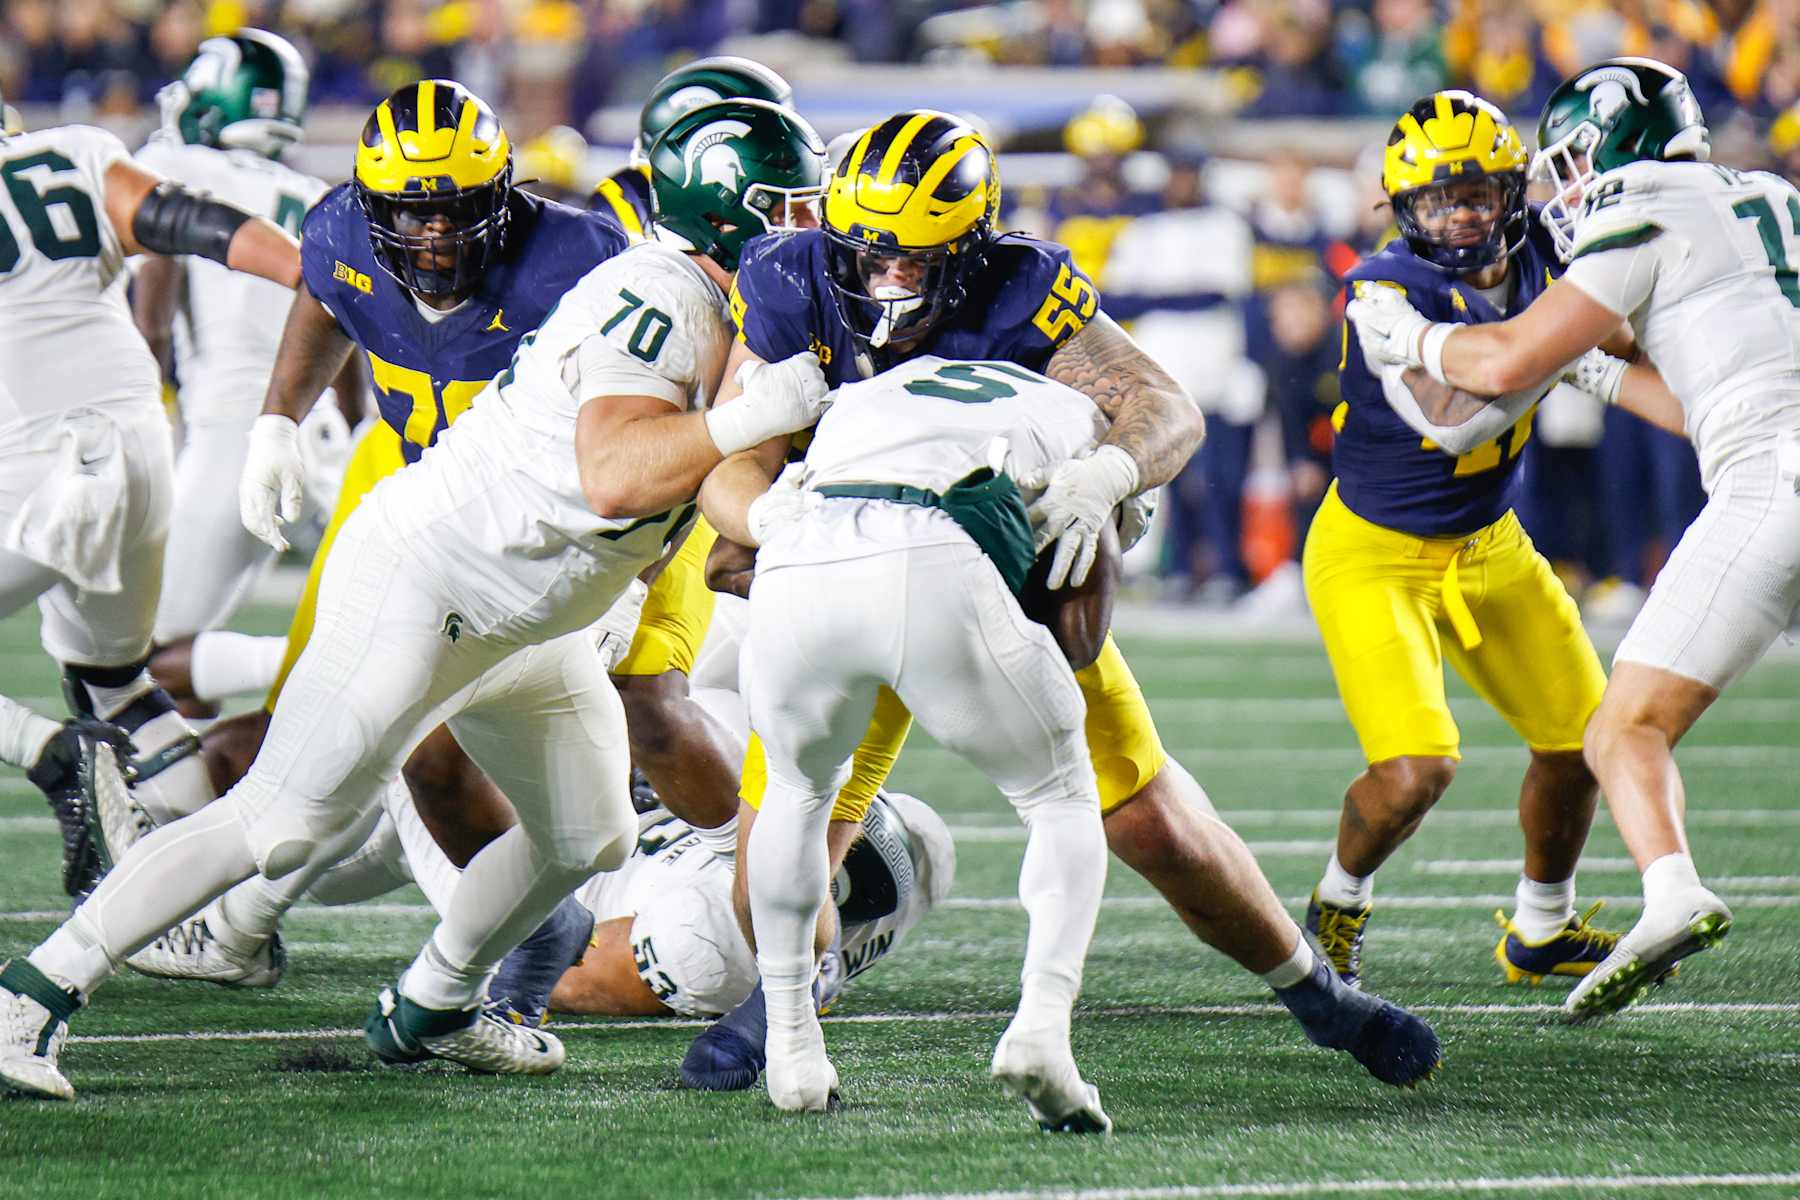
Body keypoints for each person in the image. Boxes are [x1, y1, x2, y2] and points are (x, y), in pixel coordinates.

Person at [0, 95, 832, 1101]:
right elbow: (618, 472)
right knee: (281, 823)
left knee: (589, 836)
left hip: (537, 609)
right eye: (789, 207)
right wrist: (747, 422)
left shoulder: (734, 305)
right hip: (432, 570)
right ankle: (31, 996)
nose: (812, 227)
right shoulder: (659, 296)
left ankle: (436, 1003)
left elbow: (685, 497)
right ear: (724, 214)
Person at [682, 108, 1442, 1097]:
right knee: (768, 868)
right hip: (838, 552)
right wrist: (772, 512)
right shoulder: (789, 278)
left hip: (1007, 568)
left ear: (971, 245)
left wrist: (1107, 475)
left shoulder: (1024, 283)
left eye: (915, 261)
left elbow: (1164, 405)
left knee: (1153, 824)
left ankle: (1316, 993)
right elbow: (726, 468)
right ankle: (798, 988)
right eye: (869, 256)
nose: (888, 282)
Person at [125, 79, 632, 989]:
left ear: (502, 196)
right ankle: (491, 943)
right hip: (427, 516)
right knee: (370, 742)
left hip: (555, 537)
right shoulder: (340, 231)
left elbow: (646, 415)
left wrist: (630, 572)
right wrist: (278, 419)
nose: (432, 232)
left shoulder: (582, 262)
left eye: (453, 209)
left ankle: (488, 938)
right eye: (410, 211)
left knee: (408, 746)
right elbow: (325, 295)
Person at [1349, 57, 1795, 1019]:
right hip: (1758, 453)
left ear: (1598, 147)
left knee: (1619, 728)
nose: (1559, 187)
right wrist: (1593, 370)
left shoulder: (1637, 206)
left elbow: (1501, 363)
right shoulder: (1769, 192)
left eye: (1566, 163)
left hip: (1775, 481)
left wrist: (1410, 338)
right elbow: (1688, 389)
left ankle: (1671, 891)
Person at [1305, 90, 1626, 992]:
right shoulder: (1385, 289)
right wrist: (1564, 349)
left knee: (1584, 742)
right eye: (1439, 202)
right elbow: (1451, 426)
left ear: (1511, 192)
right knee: (1415, 770)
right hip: (1374, 550)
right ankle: (1339, 899)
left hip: (1491, 543)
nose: (1461, 216)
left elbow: (1625, 343)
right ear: (1404, 212)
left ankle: (1542, 927)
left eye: (1478, 194)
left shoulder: (1548, 254)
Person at [0, 89, 302, 903]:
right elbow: (188, 222)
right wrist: (313, 276)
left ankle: (46, 750)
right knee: (121, 685)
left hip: (37, 473)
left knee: (96, 700)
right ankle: (216, 913)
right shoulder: (74, 152)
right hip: (143, 454)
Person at [131, 29, 367, 720]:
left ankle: (298, 662)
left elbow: (151, 317)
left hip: (239, 433)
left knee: (144, 658)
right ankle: (190, 794)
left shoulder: (175, 165)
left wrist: (139, 421)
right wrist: (353, 437)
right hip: (323, 435)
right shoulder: (314, 193)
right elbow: (343, 324)